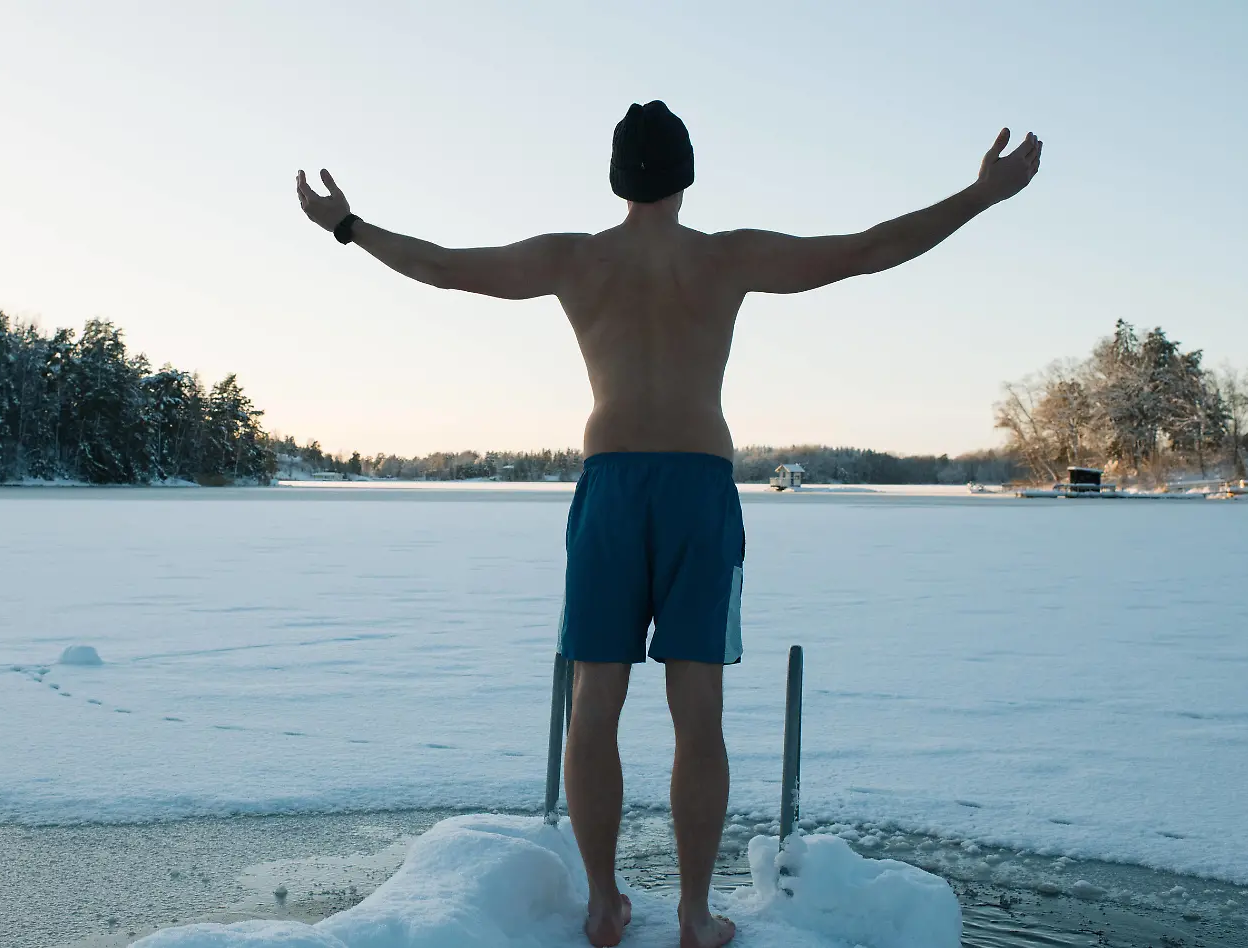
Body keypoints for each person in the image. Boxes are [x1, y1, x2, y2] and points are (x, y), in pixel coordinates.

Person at [297, 100, 1041, 948]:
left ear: (617, 176)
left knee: (596, 700)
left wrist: (347, 225)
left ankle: (604, 903)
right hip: (698, 490)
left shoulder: (573, 260)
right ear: (686, 174)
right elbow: (870, 250)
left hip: (610, 486)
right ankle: (692, 913)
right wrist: (980, 195)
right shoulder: (726, 258)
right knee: (699, 710)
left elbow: (445, 267)